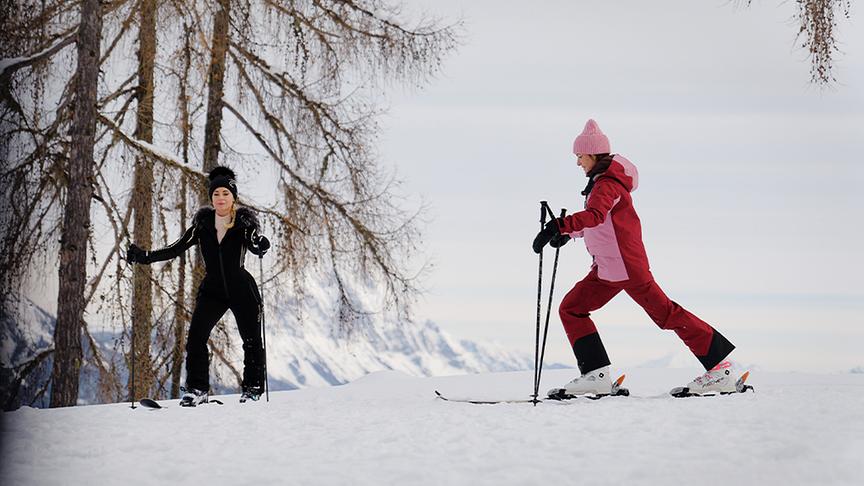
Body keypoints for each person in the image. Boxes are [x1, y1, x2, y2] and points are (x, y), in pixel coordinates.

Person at [533, 119, 738, 397]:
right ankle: (596, 374)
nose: (578, 162)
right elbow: (600, 225)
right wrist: (569, 234)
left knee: (666, 314)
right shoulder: (602, 184)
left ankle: (720, 368)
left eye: (580, 156)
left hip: (627, 267)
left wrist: (559, 226)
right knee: (571, 308)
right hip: (607, 269)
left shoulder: (607, 185)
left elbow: (595, 216)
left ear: (593, 154)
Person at [127, 166, 271, 406]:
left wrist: (261, 245)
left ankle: (253, 388)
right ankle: (197, 389)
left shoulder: (245, 224)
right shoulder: (202, 225)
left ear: (233, 197)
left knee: (252, 340)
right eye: (216, 194)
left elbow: (255, 245)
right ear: (211, 197)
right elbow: (175, 248)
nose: (221, 198)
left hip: (241, 289)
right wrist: (144, 256)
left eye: (225, 193)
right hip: (212, 290)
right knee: (196, 337)